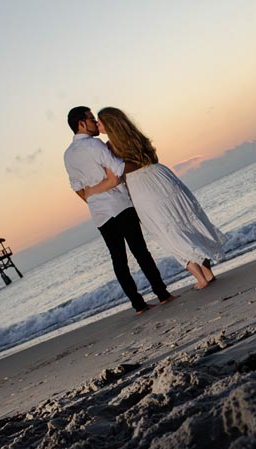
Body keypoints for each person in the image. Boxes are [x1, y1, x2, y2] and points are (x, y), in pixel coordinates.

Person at [81, 107, 226, 290]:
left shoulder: (109, 148)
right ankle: (207, 273)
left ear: (110, 124)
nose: (97, 124)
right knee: (185, 222)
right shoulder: (136, 136)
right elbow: (152, 157)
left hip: (142, 188)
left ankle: (201, 279)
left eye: (99, 121)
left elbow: (113, 179)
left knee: (166, 231)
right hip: (162, 177)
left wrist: (91, 191)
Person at [63, 106, 176, 314]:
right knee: (140, 251)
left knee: (119, 260)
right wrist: (144, 162)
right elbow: (117, 168)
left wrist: (93, 199)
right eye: (91, 118)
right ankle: (162, 294)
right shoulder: (94, 145)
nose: (95, 122)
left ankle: (138, 305)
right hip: (119, 204)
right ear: (81, 123)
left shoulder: (68, 155)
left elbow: (76, 187)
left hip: (99, 213)